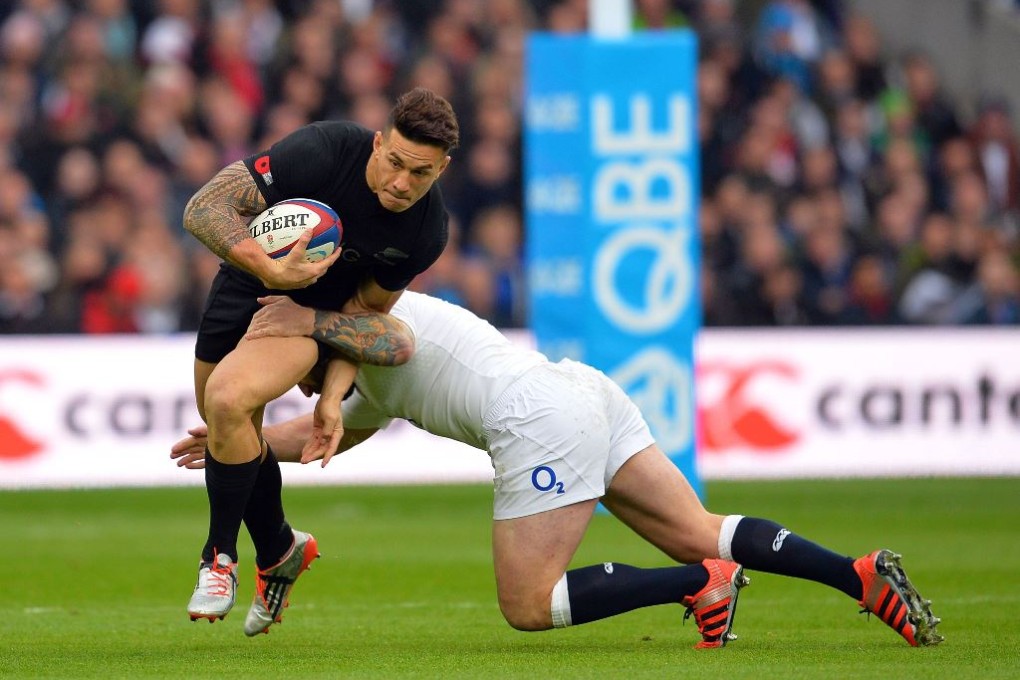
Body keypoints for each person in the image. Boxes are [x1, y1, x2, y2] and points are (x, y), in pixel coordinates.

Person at [172, 292, 944, 647]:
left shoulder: (372, 321)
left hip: (537, 422)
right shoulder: (359, 366)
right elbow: (324, 431)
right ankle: (858, 574)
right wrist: (236, 434)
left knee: (528, 606)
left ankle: (698, 584)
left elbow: (369, 347)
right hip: (582, 391)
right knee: (696, 529)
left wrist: (301, 355)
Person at [181, 87, 460, 637]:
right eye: (396, 163)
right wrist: (269, 268)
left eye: (421, 174)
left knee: (229, 401)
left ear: (443, 169)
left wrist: (332, 397)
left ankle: (218, 558)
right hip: (244, 283)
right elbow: (203, 208)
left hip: (307, 317)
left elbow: (362, 316)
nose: (402, 183)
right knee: (229, 430)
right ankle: (282, 548)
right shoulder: (324, 150)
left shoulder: (426, 232)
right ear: (378, 144)